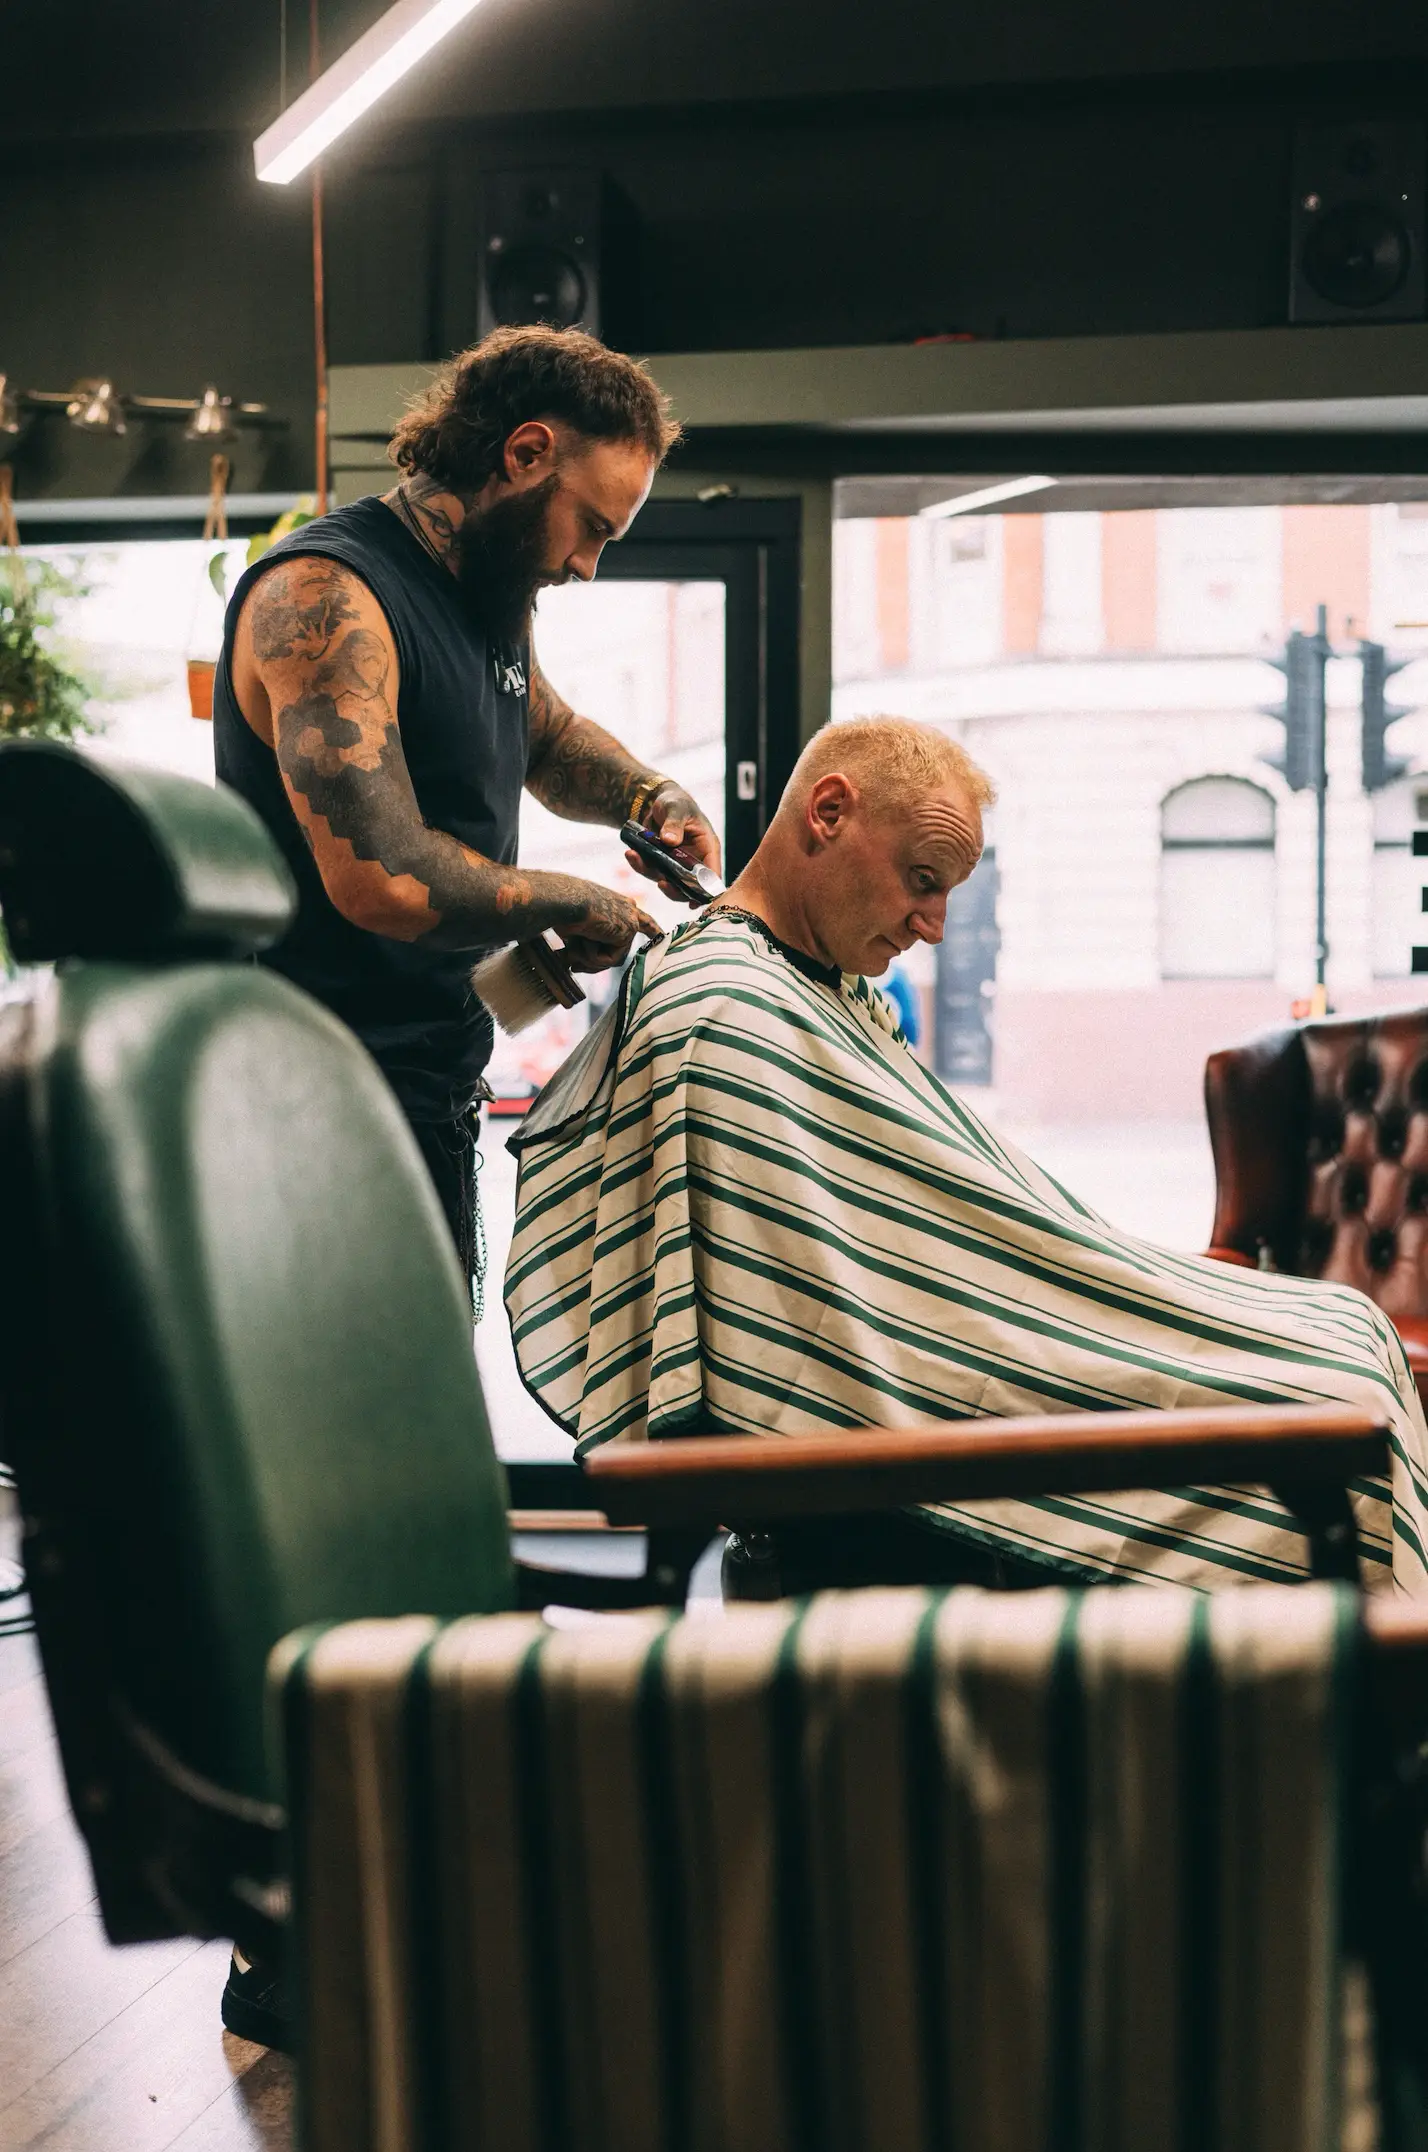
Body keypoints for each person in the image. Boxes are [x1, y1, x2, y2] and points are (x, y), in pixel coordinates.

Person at [506, 713, 1428, 1596]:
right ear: (828, 812)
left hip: (1004, 1339)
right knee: (1335, 1385)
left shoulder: (813, 986)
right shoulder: (724, 1009)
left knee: (1352, 1334)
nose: (935, 925)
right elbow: (818, 1339)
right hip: (937, 1420)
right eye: (921, 879)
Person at [212, 325, 720, 1287]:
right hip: (316, 1103)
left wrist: (650, 794)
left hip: (432, 1083)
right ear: (525, 454)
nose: (587, 565)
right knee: (363, 1380)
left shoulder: (489, 590)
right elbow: (385, 878)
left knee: (429, 1368)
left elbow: (547, 735)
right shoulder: (324, 596)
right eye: (592, 526)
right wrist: (572, 900)